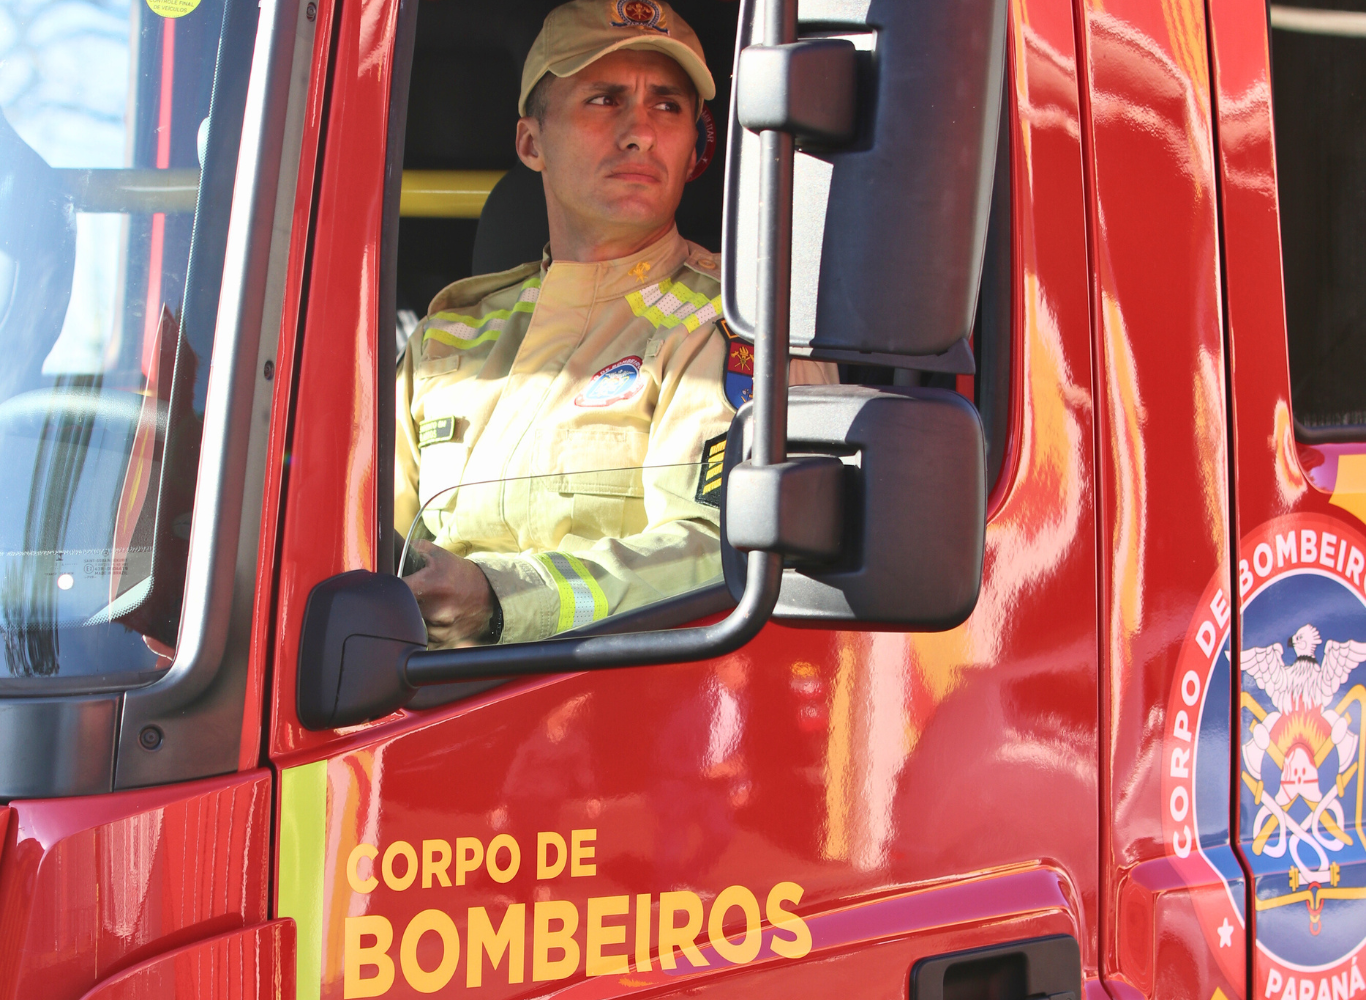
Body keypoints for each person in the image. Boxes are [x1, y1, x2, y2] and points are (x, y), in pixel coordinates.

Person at [395, 0, 834, 648]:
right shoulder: (446, 340)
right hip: (415, 697)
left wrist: (497, 598)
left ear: (696, 149)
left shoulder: (740, 329)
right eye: (604, 100)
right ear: (531, 143)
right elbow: (355, 538)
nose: (640, 133)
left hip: (630, 701)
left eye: (668, 106)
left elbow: (721, 555)